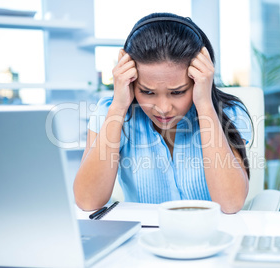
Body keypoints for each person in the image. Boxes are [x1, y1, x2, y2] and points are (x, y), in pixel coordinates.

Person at [74, 12, 252, 214]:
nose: (163, 108)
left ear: (198, 78)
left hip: (211, 237)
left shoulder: (230, 113)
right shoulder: (110, 112)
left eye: (178, 92)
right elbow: (87, 201)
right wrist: (118, 107)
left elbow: (230, 204)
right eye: (147, 92)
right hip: (144, 239)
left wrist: (204, 104)